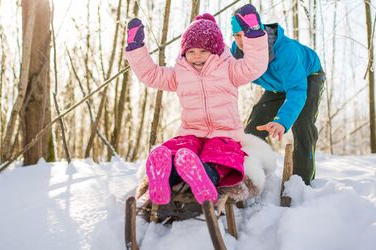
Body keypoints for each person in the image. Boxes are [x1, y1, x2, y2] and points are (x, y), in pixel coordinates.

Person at [124, 4, 268, 205]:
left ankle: (205, 176)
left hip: (224, 134)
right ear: (184, 52)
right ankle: (163, 178)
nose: (197, 55)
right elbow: (151, 75)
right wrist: (135, 48)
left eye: (203, 50)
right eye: (191, 51)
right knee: (177, 150)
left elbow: (255, 65)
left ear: (216, 51)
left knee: (222, 155)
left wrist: (253, 34)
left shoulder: (229, 69)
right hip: (191, 132)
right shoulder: (180, 73)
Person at [230, 6, 325, 185]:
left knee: (303, 126)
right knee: (254, 127)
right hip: (276, 86)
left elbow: (297, 90)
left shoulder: (285, 52)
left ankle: (302, 182)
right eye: (237, 35)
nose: (241, 40)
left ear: (257, 31)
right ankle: (250, 176)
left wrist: (282, 121)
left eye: (245, 33)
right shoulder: (235, 53)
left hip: (307, 76)